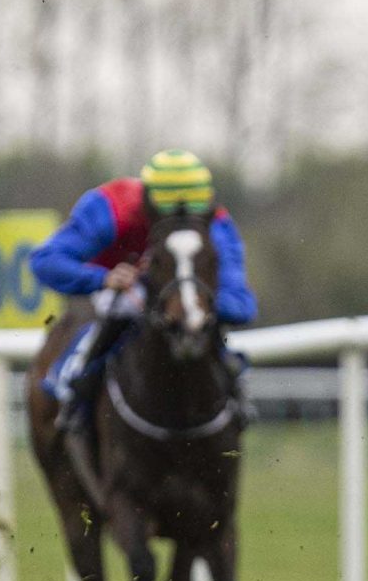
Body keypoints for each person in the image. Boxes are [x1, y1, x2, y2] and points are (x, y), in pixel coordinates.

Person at [30, 149, 258, 433]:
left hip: (182, 303)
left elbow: (242, 304)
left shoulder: (218, 224)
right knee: (109, 324)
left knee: (208, 339)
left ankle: (236, 401)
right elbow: (45, 262)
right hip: (116, 291)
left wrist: (194, 303)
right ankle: (73, 396)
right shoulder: (109, 207)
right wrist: (101, 278)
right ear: (148, 203)